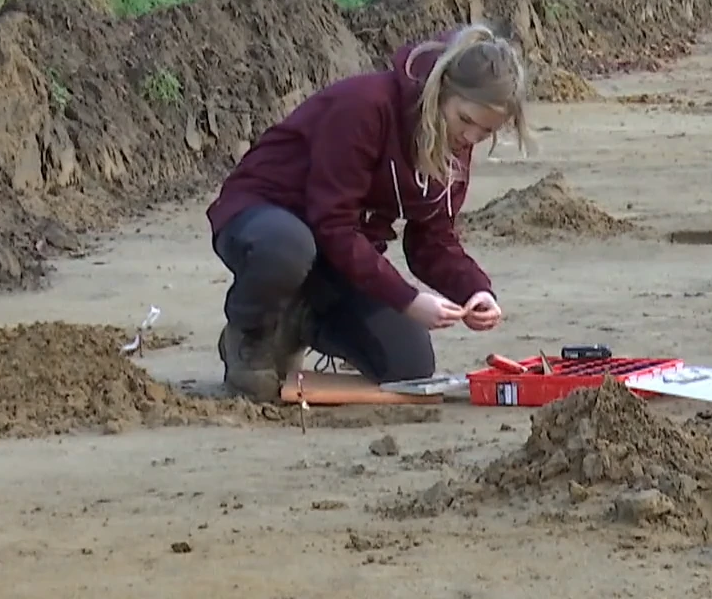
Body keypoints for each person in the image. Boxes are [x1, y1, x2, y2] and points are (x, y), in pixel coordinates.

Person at [204, 23, 531, 400]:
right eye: (466, 121)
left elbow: (432, 239)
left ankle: (298, 319)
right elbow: (333, 223)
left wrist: (474, 290)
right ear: (442, 91)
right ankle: (251, 335)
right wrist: (407, 298)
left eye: (485, 132)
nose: (470, 138)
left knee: (409, 367)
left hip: (332, 247)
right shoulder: (365, 106)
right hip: (264, 215)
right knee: (287, 248)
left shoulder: (454, 139)